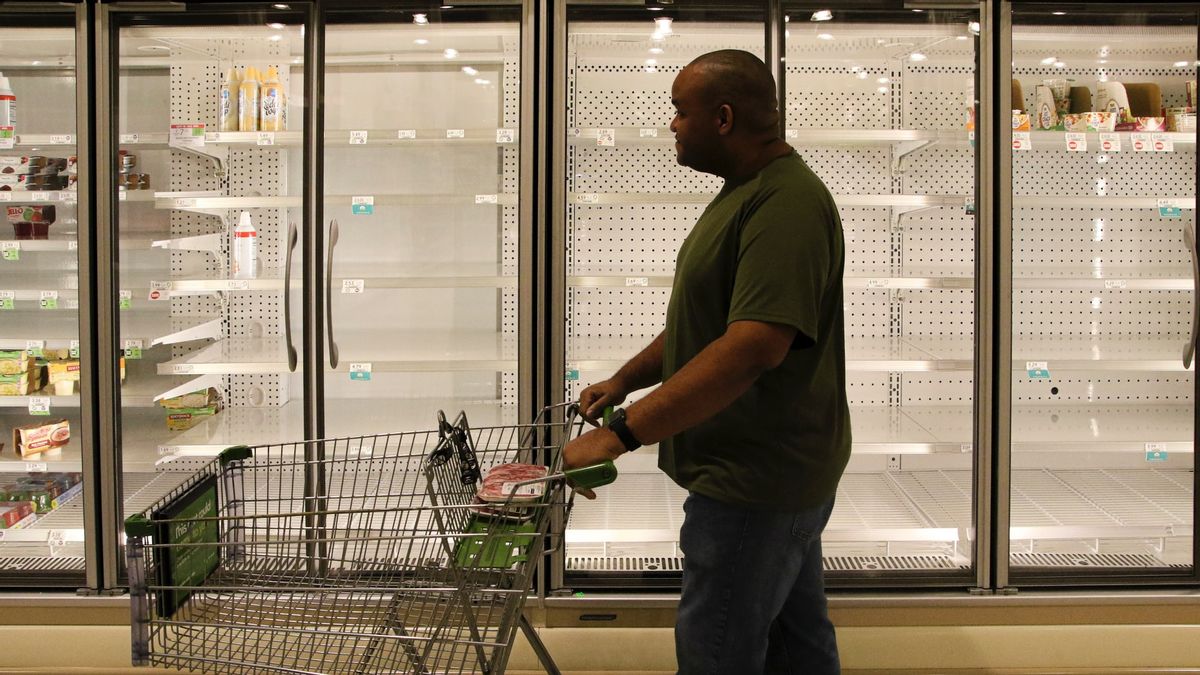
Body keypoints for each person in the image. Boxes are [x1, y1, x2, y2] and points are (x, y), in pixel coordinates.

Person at [561, 49, 850, 674]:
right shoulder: (745, 193)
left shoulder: (785, 205)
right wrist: (626, 379)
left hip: (754, 482)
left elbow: (751, 347)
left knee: (715, 654)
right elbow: (709, 324)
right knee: (798, 648)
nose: (672, 124)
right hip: (766, 475)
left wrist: (620, 435)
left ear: (722, 118)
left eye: (679, 112)